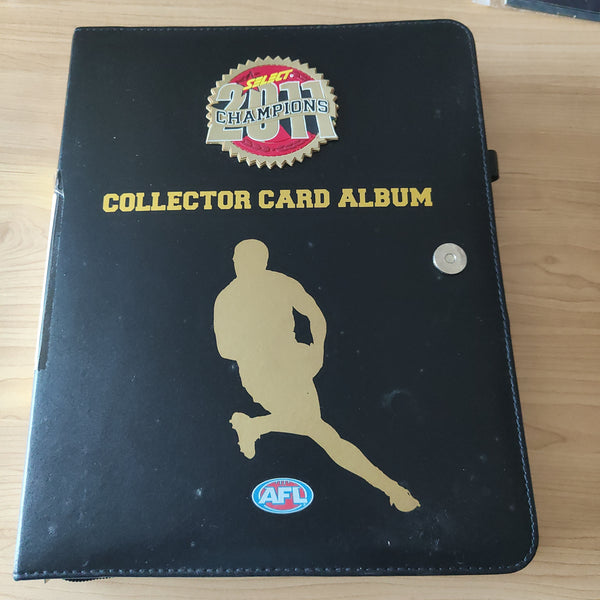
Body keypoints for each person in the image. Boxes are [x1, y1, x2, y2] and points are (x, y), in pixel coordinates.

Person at [213, 239, 420, 512]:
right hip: (258, 371)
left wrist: (317, 350)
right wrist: (259, 346)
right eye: (238, 260)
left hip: (292, 366)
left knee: (319, 431)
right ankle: (392, 489)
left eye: (247, 261)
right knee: (319, 431)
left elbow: (314, 314)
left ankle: (254, 426)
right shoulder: (227, 299)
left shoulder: (281, 283)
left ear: (262, 262)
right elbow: (225, 349)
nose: (240, 265)